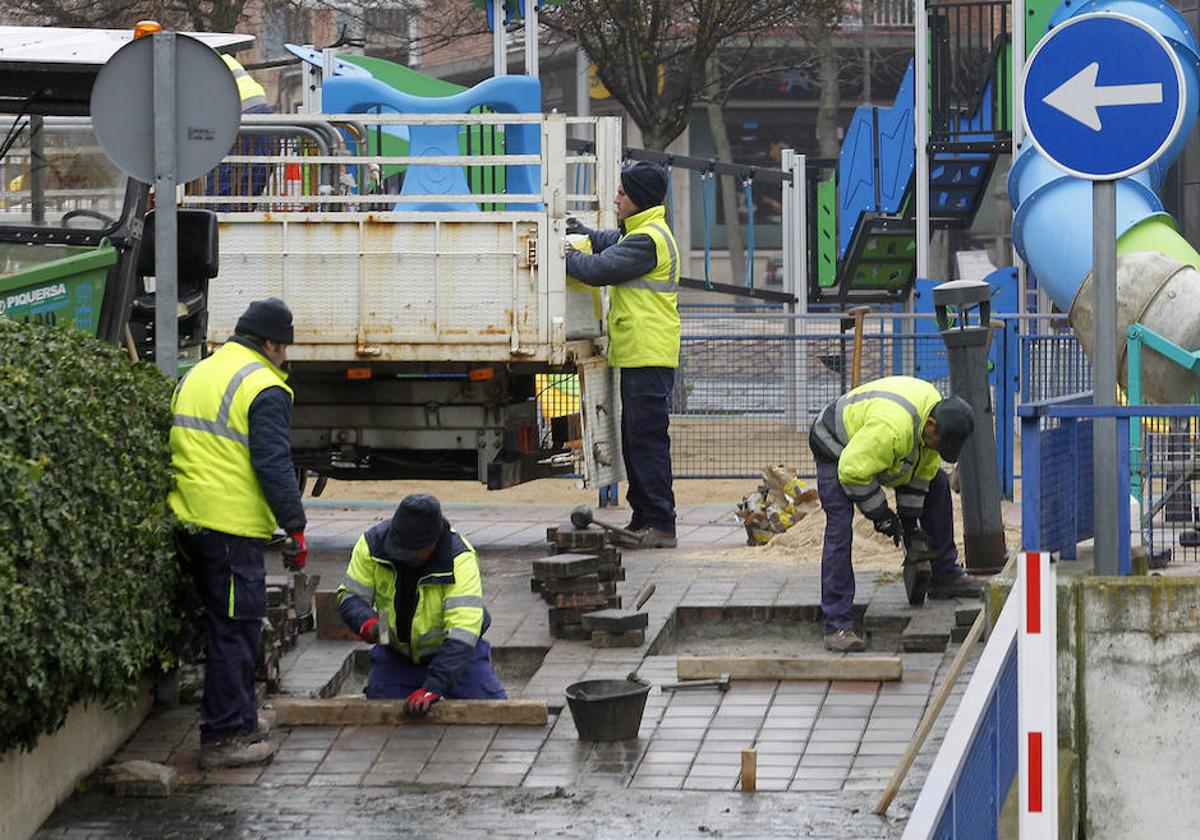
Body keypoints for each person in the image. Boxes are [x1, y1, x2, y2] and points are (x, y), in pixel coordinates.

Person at [169, 298, 308, 769]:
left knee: (226, 628)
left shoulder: (202, 371)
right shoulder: (264, 386)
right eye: (284, 347)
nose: (285, 357)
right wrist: (295, 525)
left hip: (189, 518)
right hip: (228, 527)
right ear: (270, 343)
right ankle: (225, 736)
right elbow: (273, 463)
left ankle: (242, 718)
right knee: (236, 631)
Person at [808, 375, 985, 652]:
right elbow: (851, 471)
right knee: (840, 526)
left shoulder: (932, 422)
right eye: (939, 443)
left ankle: (944, 576)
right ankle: (837, 623)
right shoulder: (892, 429)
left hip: (872, 449)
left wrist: (910, 525)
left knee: (937, 484)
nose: (939, 449)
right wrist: (881, 514)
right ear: (931, 425)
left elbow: (920, 474)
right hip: (836, 446)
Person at [565, 160, 681, 549]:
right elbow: (607, 243)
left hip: (648, 353)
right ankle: (645, 517)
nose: (616, 199)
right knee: (637, 441)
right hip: (641, 353)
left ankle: (660, 523)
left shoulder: (647, 240)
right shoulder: (641, 232)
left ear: (639, 199)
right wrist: (581, 233)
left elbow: (597, 269)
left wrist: (561, 254)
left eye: (622, 193)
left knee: (646, 442)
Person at [337, 494, 506, 713]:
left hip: (456, 657)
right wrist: (368, 623)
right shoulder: (372, 545)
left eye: (412, 552)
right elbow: (350, 595)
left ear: (433, 542)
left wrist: (434, 686)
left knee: (494, 711)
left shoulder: (459, 558)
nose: (404, 557)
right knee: (381, 711)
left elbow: (463, 631)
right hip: (397, 654)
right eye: (399, 549)